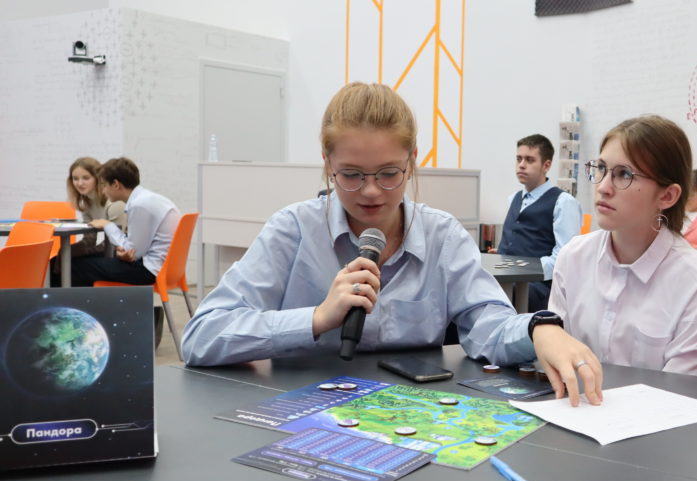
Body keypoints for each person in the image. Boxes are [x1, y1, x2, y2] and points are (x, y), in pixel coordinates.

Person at [181, 83, 602, 405]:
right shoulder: (293, 231)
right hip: (306, 414)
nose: (370, 191)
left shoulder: (442, 236)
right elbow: (201, 335)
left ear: (412, 161)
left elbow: (487, 323)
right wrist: (316, 318)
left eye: (388, 173)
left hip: (411, 414)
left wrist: (539, 328)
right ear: (327, 164)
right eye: (351, 174)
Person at [543, 115, 697, 377]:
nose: (603, 187)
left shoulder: (696, 281)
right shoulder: (574, 257)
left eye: (624, 175)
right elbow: (559, 356)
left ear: (667, 196)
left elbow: (682, 393)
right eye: (601, 169)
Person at [491, 134, 582, 311]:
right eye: (519, 159)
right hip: (507, 280)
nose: (521, 165)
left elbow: (565, 258)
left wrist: (523, 269)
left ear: (546, 165)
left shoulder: (563, 202)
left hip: (537, 287)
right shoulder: (513, 199)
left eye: (529, 160)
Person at [70, 157, 181, 287]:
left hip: (148, 270)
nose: (103, 191)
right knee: (85, 263)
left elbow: (133, 252)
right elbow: (133, 249)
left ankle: (84, 301)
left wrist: (107, 225)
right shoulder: (146, 198)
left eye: (104, 185)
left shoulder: (139, 205)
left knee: (77, 266)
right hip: (160, 265)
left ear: (116, 185)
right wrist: (124, 252)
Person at [65, 157, 126, 258]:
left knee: (72, 260)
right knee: (62, 256)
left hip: (125, 254)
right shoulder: (86, 204)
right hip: (110, 250)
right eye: (75, 178)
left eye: (86, 178)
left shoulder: (114, 203)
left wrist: (87, 251)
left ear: (98, 178)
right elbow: (89, 240)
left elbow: (117, 242)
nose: (79, 183)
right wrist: (68, 251)